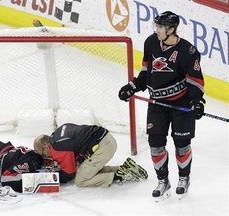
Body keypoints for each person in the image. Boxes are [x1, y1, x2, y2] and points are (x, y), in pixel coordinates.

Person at [118, 11, 205, 200]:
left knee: (182, 144)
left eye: (159, 27)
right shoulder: (150, 43)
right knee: (155, 145)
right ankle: (163, 180)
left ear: (171, 29)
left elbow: (195, 81)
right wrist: (133, 87)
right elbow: (145, 73)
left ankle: (184, 178)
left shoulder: (188, 52)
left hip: (180, 104)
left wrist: (196, 102)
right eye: (156, 26)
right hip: (157, 104)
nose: (156, 30)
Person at [33, 123, 148, 188]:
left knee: (80, 180)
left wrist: (53, 176)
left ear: (46, 147)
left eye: (43, 154)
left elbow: (69, 174)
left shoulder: (57, 148)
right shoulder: (57, 133)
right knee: (87, 170)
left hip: (103, 147)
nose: (45, 157)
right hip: (107, 139)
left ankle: (120, 175)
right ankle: (124, 168)